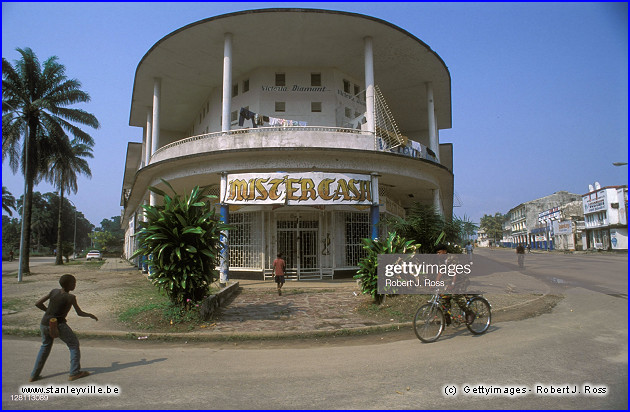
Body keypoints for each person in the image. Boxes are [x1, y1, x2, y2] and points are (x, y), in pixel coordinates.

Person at [30, 274, 98, 382]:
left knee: (45, 346)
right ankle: (74, 373)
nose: (75, 285)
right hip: (58, 324)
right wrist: (90, 315)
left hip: (44, 323)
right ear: (68, 284)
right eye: (73, 283)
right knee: (73, 344)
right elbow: (79, 313)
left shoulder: (54, 291)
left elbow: (38, 303)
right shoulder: (70, 297)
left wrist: (48, 312)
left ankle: (34, 375)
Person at [434, 244, 473, 325]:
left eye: (439, 252)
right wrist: (434, 283)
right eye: (436, 253)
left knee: (455, 295)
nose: (438, 255)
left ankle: (469, 313)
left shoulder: (452, 257)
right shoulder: (441, 260)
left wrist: (452, 284)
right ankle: (446, 317)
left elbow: (455, 271)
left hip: (461, 280)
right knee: (444, 296)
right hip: (452, 279)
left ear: (444, 251)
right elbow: (440, 272)